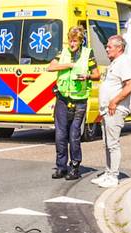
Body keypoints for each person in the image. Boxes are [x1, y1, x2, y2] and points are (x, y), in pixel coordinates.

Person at [46, 26, 99, 180]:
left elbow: (96, 75)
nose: (72, 43)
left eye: (75, 41)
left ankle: (74, 167)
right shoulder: (63, 52)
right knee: (60, 134)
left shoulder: (88, 53)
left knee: (74, 134)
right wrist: (68, 65)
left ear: (80, 41)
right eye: (70, 40)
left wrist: (87, 76)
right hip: (62, 98)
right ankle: (61, 167)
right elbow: (51, 67)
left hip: (79, 99)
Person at [93, 34, 131, 189]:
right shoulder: (115, 63)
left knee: (113, 144)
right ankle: (108, 173)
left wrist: (114, 102)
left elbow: (130, 85)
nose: (106, 49)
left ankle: (113, 176)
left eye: (109, 47)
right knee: (107, 143)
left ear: (119, 48)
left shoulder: (123, 62)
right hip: (108, 109)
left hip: (115, 109)